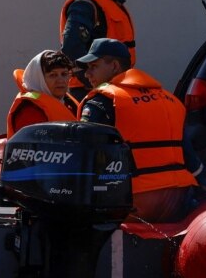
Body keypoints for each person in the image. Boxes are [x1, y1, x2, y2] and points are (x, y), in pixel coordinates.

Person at [76, 38, 199, 221]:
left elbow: (83, 157)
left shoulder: (102, 102)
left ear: (115, 66)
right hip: (178, 200)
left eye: (93, 66)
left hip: (135, 201)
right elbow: (193, 164)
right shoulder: (170, 100)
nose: (87, 74)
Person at [59, 0, 137, 96]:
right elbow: (71, 47)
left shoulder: (105, 2)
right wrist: (93, 83)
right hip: (89, 91)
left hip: (109, 88)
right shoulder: (85, 4)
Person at [7, 50, 79, 137]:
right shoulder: (30, 111)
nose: (61, 80)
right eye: (53, 75)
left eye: (64, 74)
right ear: (39, 78)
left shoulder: (68, 103)